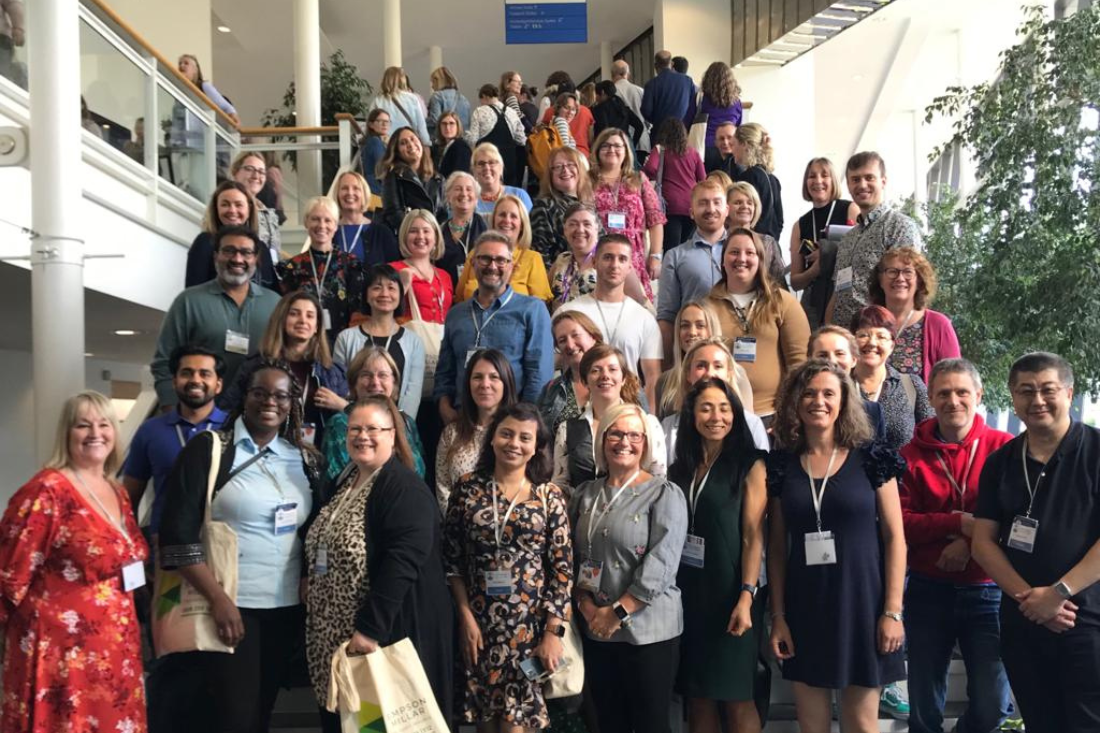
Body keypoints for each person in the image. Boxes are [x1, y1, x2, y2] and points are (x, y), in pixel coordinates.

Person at [159, 361, 323, 733]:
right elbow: (177, 536)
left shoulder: (304, 459)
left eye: (281, 395)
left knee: (261, 712)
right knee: (233, 718)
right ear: (243, 397)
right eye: (260, 393)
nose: (270, 402)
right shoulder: (210, 450)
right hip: (231, 605)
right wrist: (219, 600)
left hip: (285, 610)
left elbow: (313, 531)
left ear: (292, 404)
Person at [767, 359, 907, 733]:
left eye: (829, 393)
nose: (818, 401)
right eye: (809, 393)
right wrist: (778, 617)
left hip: (863, 604)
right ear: (795, 402)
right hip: (805, 607)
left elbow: (895, 538)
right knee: (813, 727)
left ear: (844, 401)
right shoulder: (782, 465)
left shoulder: (872, 458)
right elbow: (777, 547)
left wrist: (892, 611)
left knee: (861, 726)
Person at [0, 391, 149, 733]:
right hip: (60, 653)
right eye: (83, 425)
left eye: (104, 424)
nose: (95, 433)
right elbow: (9, 575)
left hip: (115, 647)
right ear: (67, 433)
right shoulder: (47, 490)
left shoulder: (117, 491)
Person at [305, 395, 453, 733]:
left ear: (392, 434)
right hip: (337, 640)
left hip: (379, 639)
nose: (363, 436)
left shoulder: (404, 489)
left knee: (377, 726)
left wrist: (370, 629)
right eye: (355, 429)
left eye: (373, 428)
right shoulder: (348, 480)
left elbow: (403, 562)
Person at [972, 352, 1100, 733]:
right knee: (1040, 722)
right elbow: (983, 543)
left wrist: (1058, 593)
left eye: (1048, 390)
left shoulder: (1095, 452)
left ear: (1069, 392)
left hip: (1087, 622)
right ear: (1012, 397)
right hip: (1023, 621)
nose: (1037, 400)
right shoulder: (1000, 462)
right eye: (1026, 391)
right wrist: (1032, 599)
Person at [899, 358, 1015, 733]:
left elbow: (1017, 519)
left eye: (962, 392)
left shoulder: (1005, 449)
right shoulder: (910, 456)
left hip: (988, 590)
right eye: (944, 393)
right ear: (930, 397)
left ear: (978, 395)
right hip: (927, 590)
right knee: (924, 710)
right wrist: (955, 521)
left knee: (994, 706)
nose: (954, 401)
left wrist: (969, 539)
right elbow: (900, 523)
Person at [443, 403, 573, 730]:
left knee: (517, 724)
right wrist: (464, 617)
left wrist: (552, 632)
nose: (514, 443)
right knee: (485, 721)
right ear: (492, 439)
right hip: (478, 628)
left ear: (536, 447)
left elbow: (562, 570)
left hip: (528, 632)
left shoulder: (548, 496)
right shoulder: (467, 488)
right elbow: (452, 559)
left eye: (524, 438)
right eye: (506, 433)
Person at [570, 402, 688, 733]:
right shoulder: (585, 495)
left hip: (648, 631)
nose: (625, 441)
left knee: (650, 725)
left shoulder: (664, 493)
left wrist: (616, 612)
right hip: (596, 627)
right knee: (608, 723)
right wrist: (587, 606)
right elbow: (573, 557)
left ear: (646, 443)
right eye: (616, 433)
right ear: (602, 440)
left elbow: (663, 563)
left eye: (634, 435)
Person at [670, 378, 767, 733]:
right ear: (692, 415)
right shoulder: (681, 467)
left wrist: (746, 594)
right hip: (689, 592)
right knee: (698, 696)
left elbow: (754, 534)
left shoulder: (750, 463)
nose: (716, 416)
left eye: (724, 408)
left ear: (736, 414)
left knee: (736, 695)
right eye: (706, 407)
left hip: (732, 592)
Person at [151, 225, 282, 407]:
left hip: (258, 417)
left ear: (256, 259)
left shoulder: (275, 304)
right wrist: (173, 408)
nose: (237, 259)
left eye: (246, 252)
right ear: (215, 256)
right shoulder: (188, 301)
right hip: (198, 415)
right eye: (229, 251)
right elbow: (164, 361)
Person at [435, 231, 554, 417]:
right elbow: (445, 370)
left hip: (510, 422)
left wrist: (523, 420)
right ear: (473, 263)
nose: (492, 266)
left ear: (512, 267)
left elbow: (539, 373)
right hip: (462, 421)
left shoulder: (532, 310)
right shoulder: (456, 314)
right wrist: (445, 408)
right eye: (485, 259)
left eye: (501, 260)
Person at [123, 345, 228, 541]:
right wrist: (133, 546)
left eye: (205, 374)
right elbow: (129, 500)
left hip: (220, 547)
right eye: (187, 373)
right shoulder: (150, 431)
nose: (195, 380)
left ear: (218, 384)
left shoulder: (234, 428)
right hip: (164, 550)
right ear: (174, 381)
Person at [219, 290, 348, 447]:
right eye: (294, 314)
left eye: (310, 316)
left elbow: (356, 419)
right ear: (282, 320)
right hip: (261, 450)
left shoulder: (332, 372)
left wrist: (340, 404)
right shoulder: (255, 366)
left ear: (317, 327)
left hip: (317, 456)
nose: (302, 320)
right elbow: (227, 411)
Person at [705, 228, 810, 422]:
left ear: (761, 260)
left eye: (750, 253)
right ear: (723, 260)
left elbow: (800, 364)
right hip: (718, 416)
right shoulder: (705, 307)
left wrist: (788, 414)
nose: (741, 258)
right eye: (734, 252)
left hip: (772, 416)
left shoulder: (784, 303)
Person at [558, 234, 663, 409]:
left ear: (630, 267)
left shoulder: (645, 318)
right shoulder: (568, 312)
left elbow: (652, 377)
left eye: (622, 259)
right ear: (594, 262)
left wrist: (651, 422)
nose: (615, 265)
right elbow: (553, 363)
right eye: (608, 257)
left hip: (629, 409)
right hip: (578, 408)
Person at [552, 343, 666, 494]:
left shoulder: (648, 424)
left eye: (612, 369)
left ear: (623, 378)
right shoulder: (567, 429)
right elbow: (560, 484)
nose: (605, 375)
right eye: (596, 370)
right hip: (583, 513)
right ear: (585, 381)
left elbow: (658, 480)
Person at [826, 151, 923, 329]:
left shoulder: (900, 227)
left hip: (877, 338)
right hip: (844, 340)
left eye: (869, 177)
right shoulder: (847, 238)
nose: (862, 185)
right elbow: (838, 290)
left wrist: (885, 337)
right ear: (848, 185)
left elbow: (906, 291)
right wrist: (828, 328)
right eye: (855, 179)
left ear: (883, 181)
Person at [332, 263, 425, 416]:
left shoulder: (414, 342)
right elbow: (340, 388)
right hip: (354, 424)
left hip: (398, 428)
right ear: (366, 296)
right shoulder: (346, 338)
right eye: (377, 287)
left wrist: (398, 427)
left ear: (400, 295)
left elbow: (412, 394)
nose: (384, 293)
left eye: (391, 287)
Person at [322, 347, 427, 481]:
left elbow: (421, 475)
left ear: (394, 383)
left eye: (382, 375)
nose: (375, 382)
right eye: (366, 375)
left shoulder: (407, 423)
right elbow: (335, 479)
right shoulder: (339, 424)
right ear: (354, 383)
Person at [660, 338, 766, 465]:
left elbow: (764, 476)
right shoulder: (668, 426)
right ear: (688, 373)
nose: (710, 373)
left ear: (729, 373)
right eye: (701, 366)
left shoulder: (751, 424)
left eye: (718, 366)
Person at [276, 196, 366, 345]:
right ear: (306, 222)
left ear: (336, 225)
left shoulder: (351, 264)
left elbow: (358, 311)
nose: (321, 225)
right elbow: (285, 312)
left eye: (327, 220)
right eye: (315, 219)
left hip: (341, 344)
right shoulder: (291, 267)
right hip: (301, 343)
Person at [436, 348, 518, 510]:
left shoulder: (518, 434)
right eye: (477, 377)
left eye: (494, 377)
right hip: (458, 527)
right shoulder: (451, 433)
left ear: (506, 383)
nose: (485, 384)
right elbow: (443, 486)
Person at [590, 127, 666, 301]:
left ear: (626, 151)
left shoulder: (639, 179)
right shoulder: (588, 180)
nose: (612, 150)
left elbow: (656, 219)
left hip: (634, 255)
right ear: (597, 150)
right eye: (606, 146)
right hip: (601, 255)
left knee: (637, 307)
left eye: (618, 146)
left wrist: (655, 256)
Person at [657, 179, 729, 357]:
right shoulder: (675, 256)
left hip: (735, 349)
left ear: (727, 210)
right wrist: (667, 367)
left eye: (716, 202)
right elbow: (667, 316)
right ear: (691, 212)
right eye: (703, 203)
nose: (711, 209)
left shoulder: (743, 253)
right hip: (691, 353)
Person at [868, 246, 961, 382]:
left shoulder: (939, 325)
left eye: (908, 272)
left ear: (919, 281)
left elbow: (955, 380)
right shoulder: (866, 321)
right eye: (892, 272)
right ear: (880, 280)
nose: (900, 278)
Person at [850, 305, 934, 451]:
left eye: (881, 337)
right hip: (847, 473)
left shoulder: (912, 386)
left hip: (902, 472)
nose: (872, 343)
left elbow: (932, 437)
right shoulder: (839, 385)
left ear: (892, 346)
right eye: (863, 335)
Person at [789, 157, 860, 328]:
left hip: (844, 293)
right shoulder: (800, 225)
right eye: (812, 176)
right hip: (812, 301)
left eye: (824, 175)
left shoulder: (850, 209)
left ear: (833, 180)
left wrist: (829, 254)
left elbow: (861, 254)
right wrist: (813, 271)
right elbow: (795, 282)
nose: (818, 181)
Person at [455, 194, 553, 303]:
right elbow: (459, 299)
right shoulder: (475, 254)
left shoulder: (533, 259)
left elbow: (538, 309)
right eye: (502, 215)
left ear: (522, 225)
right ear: (493, 220)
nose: (507, 220)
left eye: (513, 216)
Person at [655, 301, 745, 418]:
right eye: (685, 325)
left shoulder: (737, 374)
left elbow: (747, 426)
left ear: (712, 329)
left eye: (700, 325)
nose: (692, 332)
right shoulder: (665, 380)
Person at [185, 180, 276, 289]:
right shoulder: (205, 242)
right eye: (225, 204)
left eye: (239, 205)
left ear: (249, 209)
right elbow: (193, 292)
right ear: (216, 208)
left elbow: (272, 292)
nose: (232, 210)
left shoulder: (262, 248)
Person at [808, 325, 888, 443]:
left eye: (840, 353)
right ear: (809, 360)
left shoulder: (872, 412)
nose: (832, 361)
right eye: (822, 355)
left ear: (854, 360)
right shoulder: (795, 410)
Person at [644, 117, 707, 249]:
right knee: (686, 248)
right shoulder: (694, 153)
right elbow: (703, 179)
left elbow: (650, 168)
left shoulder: (661, 150)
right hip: (692, 206)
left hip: (670, 206)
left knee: (671, 249)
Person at [539, 310, 604, 435]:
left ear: (593, 337)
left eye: (576, 335)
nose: (570, 345)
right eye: (562, 340)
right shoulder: (551, 390)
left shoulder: (622, 381)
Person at [531, 146, 596, 267]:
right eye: (558, 167)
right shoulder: (544, 207)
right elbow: (540, 255)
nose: (565, 170)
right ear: (550, 175)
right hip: (560, 280)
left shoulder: (591, 204)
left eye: (571, 165)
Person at [389, 209, 454, 324]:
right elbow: (379, 314)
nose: (420, 236)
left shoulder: (445, 276)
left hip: (440, 341)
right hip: (406, 340)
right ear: (404, 236)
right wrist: (402, 287)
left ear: (436, 238)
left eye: (426, 231)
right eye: (413, 231)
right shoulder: (391, 270)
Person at [378, 126, 446, 235]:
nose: (410, 144)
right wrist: (418, 233)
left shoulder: (438, 178)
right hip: (406, 239)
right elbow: (393, 213)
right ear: (397, 151)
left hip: (433, 239)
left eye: (413, 139)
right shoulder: (392, 176)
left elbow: (443, 215)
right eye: (403, 143)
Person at [330, 169, 401, 266]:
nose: (350, 193)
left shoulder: (382, 233)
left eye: (356, 188)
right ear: (337, 194)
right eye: (344, 188)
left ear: (364, 194)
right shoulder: (329, 232)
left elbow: (394, 271)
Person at [727, 181, 787, 289]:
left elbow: (780, 286)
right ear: (726, 208)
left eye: (750, 203)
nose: (744, 206)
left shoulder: (768, 243)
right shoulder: (718, 243)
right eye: (738, 202)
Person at [229, 152, 283, 270]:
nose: (256, 176)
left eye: (261, 172)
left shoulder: (269, 213)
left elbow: (275, 253)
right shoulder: (228, 208)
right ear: (235, 172)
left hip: (265, 278)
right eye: (249, 169)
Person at [467, 85, 528, 189]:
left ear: (484, 96)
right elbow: (521, 140)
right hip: (509, 161)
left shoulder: (479, 111)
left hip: (487, 162)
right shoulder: (512, 112)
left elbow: (473, 140)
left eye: (481, 100)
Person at [729, 123, 782, 242]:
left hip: (753, 242)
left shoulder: (749, 176)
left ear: (745, 145)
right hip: (771, 243)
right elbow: (779, 221)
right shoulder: (773, 178)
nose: (732, 150)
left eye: (734, 144)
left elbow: (744, 216)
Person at [439, 171, 488, 284]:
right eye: (458, 189)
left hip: (480, 290)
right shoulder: (439, 231)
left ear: (476, 197)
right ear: (448, 196)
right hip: (449, 291)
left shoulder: (488, 223)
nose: (464, 193)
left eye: (469, 189)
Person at [370, 66, 430, 144]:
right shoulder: (412, 98)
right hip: (408, 141)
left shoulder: (377, 101)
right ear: (402, 80)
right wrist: (426, 143)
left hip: (387, 142)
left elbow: (371, 124)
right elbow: (421, 125)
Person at [470, 141, 532, 217]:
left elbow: (530, 227)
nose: (486, 167)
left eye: (491, 162)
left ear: (501, 167)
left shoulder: (519, 196)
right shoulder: (468, 200)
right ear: (474, 170)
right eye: (481, 163)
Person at [641, 50, 696, 134]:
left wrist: (656, 119)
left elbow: (646, 111)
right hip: (682, 131)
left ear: (655, 66)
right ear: (671, 63)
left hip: (660, 131)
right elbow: (693, 106)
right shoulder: (687, 81)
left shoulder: (651, 85)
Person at [179, 53, 239, 123]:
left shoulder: (204, 86)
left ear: (195, 70)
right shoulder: (180, 89)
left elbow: (227, 107)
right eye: (180, 63)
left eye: (186, 63)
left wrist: (235, 121)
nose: (181, 65)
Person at [540, 85, 597, 157]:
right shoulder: (561, 122)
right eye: (567, 107)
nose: (570, 112)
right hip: (575, 158)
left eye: (573, 109)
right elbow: (565, 150)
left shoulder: (551, 115)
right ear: (559, 107)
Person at [698, 61, 743, 148]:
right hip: (729, 146)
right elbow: (738, 127)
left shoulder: (700, 99)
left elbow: (688, 122)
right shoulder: (737, 103)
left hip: (705, 146)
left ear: (707, 79)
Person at [612, 59, 651, 155]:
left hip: (620, 141)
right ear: (627, 74)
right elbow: (648, 116)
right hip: (642, 141)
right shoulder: (640, 91)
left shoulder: (612, 93)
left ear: (612, 74)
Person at [591, 81, 645, 149]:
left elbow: (602, 130)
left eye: (597, 95)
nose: (596, 98)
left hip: (610, 148)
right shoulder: (623, 108)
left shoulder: (599, 109)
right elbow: (640, 126)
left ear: (602, 92)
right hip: (626, 146)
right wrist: (632, 144)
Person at [427, 65, 472, 136]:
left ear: (438, 81)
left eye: (433, 82)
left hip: (444, 139)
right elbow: (467, 124)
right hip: (461, 138)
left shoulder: (437, 96)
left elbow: (435, 121)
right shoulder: (464, 99)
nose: (432, 86)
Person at [431, 111, 473, 179]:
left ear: (458, 126)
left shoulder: (461, 147)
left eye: (451, 123)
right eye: (444, 124)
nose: (447, 127)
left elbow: (459, 175)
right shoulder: (438, 147)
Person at [360, 108, 391, 197]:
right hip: (377, 189)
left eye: (387, 121)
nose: (385, 124)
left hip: (373, 188)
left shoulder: (372, 141)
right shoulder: (375, 141)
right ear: (371, 124)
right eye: (380, 121)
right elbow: (383, 168)